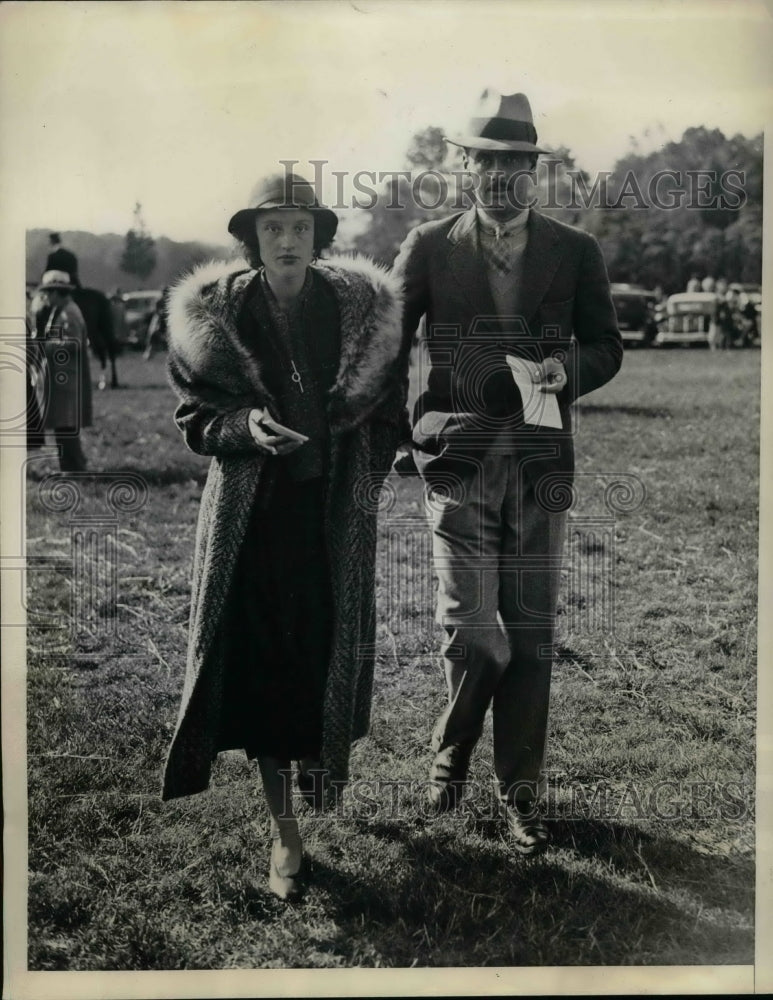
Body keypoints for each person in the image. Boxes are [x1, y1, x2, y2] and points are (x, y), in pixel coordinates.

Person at [161, 172, 408, 901]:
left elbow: (387, 405)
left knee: (323, 655)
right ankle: (285, 833)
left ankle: (316, 774)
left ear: (319, 236)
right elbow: (194, 419)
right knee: (266, 671)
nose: (288, 239)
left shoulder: (361, 310)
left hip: (331, 520)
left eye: (301, 226)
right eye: (273, 228)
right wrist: (244, 428)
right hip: (254, 521)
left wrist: (369, 475)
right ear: (251, 239)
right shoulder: (214, 316)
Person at [393, 90, 623, 854]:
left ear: (535, 172)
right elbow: (387, 348)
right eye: (485, 161)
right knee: (477, 639)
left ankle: (519, 793)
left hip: (537, 469)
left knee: (526, 640)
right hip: (455, 465)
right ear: (463, 166)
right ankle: (450, 750)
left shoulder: (574, 250)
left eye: (514, 164)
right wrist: (405, 431)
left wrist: (566, 367)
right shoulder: (428, 245)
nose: (498, 176)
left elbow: (606, 346)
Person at [27, 270, 92, 472]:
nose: (46, 297)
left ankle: (74, 467)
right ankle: (72, 465)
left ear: (57, 292)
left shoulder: (69, 313)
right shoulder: (63, 310)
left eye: (49, 293)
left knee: (65, 426)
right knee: (63, 425)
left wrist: (45, 345)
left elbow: (74, 344)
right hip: (61, 378)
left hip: (67, 380)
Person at [142, 288, 168, 359]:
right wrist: (161, 313)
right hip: (158, 320)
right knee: (153, 336)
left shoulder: (167, 301)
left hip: (164, 321)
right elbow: (156, 311)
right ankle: (148, 354)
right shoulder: (159, 301)